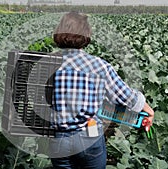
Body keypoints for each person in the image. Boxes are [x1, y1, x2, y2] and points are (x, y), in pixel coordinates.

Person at [49, 12, 154, 169]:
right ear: (86, 35)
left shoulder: (47, 64)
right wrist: (148, 110)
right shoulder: (98, 65)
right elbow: (125, 96)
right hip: (88, 135)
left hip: (59, 139)